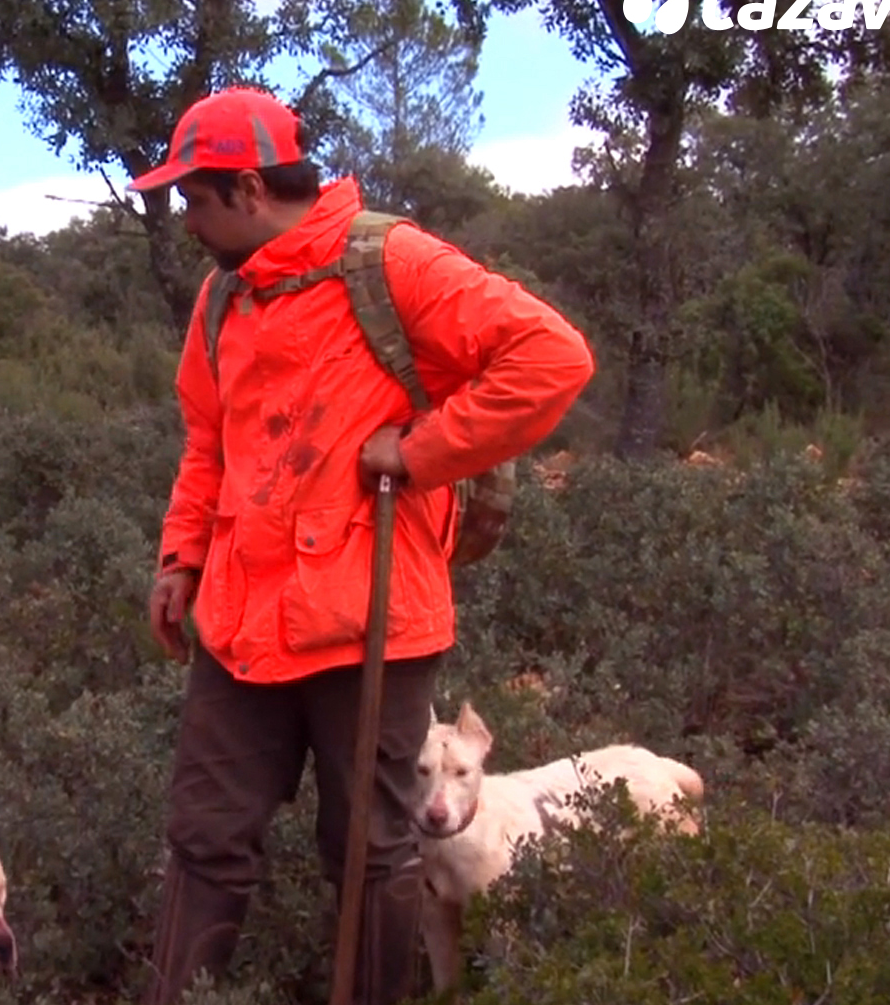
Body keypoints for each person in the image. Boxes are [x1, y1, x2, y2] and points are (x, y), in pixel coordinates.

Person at [134, 84, 597, 1005]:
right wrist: (181, 555)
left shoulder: (395, 263)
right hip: (239, 623)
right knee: (206, 836)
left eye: (195, 196)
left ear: (252, 186)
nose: (185, 216)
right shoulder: (222, 298)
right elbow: (207, 439)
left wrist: (421, 452)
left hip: (371, 620)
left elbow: (553, 357)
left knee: (374, 849)